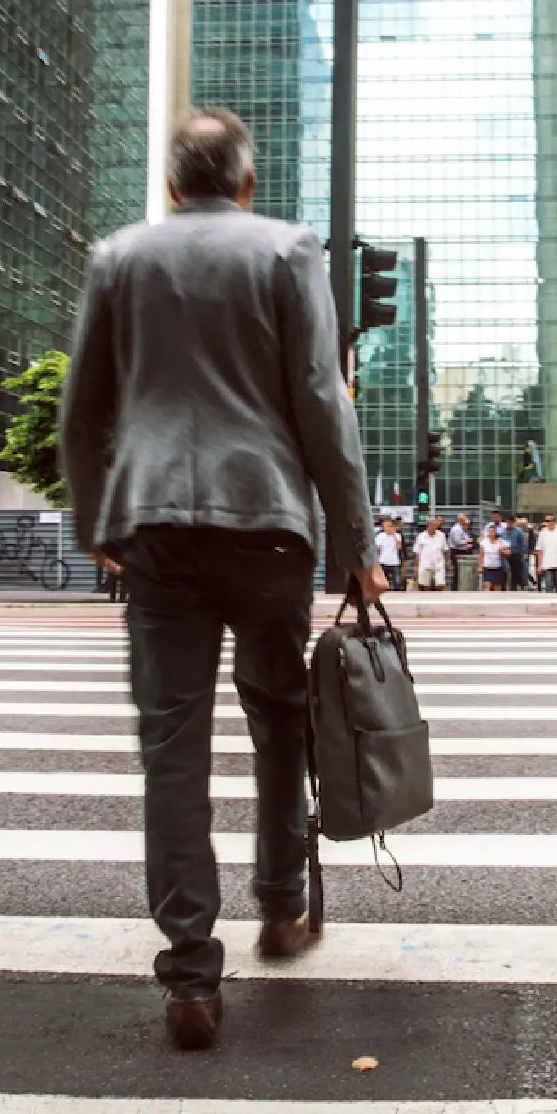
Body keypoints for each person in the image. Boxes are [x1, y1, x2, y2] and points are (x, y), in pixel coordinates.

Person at [60, 108, 385, 1052]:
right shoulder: (288, 251)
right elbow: (322, 398)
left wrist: (94, 525)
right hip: (268, 523)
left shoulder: (118, 256)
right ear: (247, 183)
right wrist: (356, 539)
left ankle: (190, 975)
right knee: (281, 715)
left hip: (154, 525)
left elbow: (85, 410)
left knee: (172, 745)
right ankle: (282, 906)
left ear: (172, 187)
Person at [412, 517, 449, 591]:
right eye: (432, 525)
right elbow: (417, 552)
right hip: (425, 563)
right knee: (425, 586)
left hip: (439, 563)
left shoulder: (441, 535)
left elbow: (445, 549)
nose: (434, 527)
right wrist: (416, 566)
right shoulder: (421, 536)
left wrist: (447, 561)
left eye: (435, 525)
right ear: (428, 525)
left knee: (440, 584)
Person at [536, 514, 557, 593]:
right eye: (547, 521)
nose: (549, 523)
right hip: (547, 563)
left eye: (550, 521)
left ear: (554, 521)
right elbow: (539, 550)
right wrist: (539, 564)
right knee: (548, 585)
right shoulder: (542, 533)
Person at [374, 516, 404, 592]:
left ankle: (396, 593)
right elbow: (377, 548)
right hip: (383, 561)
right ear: (383, 527)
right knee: (382, 582)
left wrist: (394, 535)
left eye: (390, 526)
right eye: (386, 526)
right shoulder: (380, 536)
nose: (389, 528)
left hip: (394, 562)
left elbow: (399, 547)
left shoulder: (397, 535)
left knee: (397, 582)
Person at [480, 515, 509, 591]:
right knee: (487, 585)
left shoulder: (501, 541)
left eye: (493, 531)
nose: (491, 533)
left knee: (497, 587)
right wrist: (480, 566)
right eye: (490, 531)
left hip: (497, 567)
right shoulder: (484, 542)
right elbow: (481, 555)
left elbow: (508, 552)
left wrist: (502, 550)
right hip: (487, 567)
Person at [507, 514, 534, 591]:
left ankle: (524, 585)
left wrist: (529, 551)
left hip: (524, 555)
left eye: (524, 524)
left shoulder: (529, 531)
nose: (522, 525)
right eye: (521, 524)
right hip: (517, 555)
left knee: (525, 571)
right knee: (516, 571)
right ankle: (518, 585)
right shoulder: (516, 531)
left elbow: (529, 543)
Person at [446, 514, 474, 589]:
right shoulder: (456, 529)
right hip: (457, 552)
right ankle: (456, 588)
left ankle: (461, 587)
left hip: (463, 551)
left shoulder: (462, 528)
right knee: (458, 572)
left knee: (462, 571)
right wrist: (467, 541)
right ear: (461, 520)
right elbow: (457, 542)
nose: (466, 520)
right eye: (465, 519)